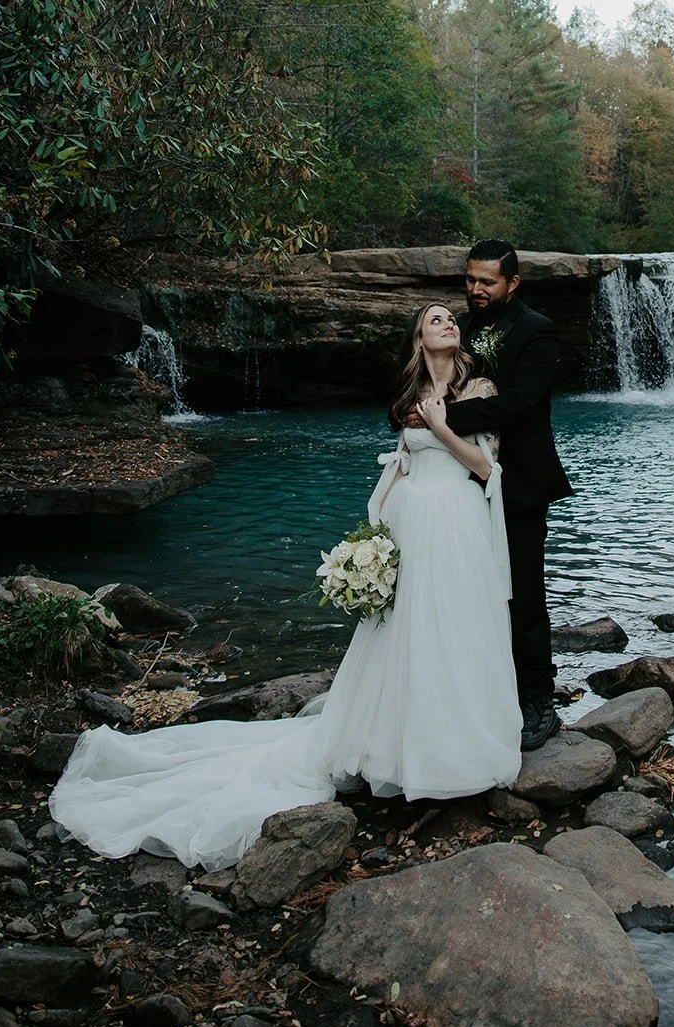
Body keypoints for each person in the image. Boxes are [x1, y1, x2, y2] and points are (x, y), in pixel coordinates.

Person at [48, 302, 521, 873]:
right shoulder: (407, 392)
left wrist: (442, 425)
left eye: (452, 319)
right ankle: (398, 753)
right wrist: (369, 541)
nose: (448, 324)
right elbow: (398, 465)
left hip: (457, 518)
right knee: (407, 635)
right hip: (412, 524)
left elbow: (484, 467)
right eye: (436, 319)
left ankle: (458, 754)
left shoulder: (480, 386)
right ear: (418, 335)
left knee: (456, 629)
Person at [444, 239, 572, 751]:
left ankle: (539, 703)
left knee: (523, 593)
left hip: (519, 481)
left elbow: (519, 404)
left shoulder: (538, 331)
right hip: (463, 482)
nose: (476, 289)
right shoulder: (461, 325)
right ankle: (481, 692)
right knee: (471, 591)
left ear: (512, 283)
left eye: (487, 282)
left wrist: (442, 420)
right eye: (471, 279)